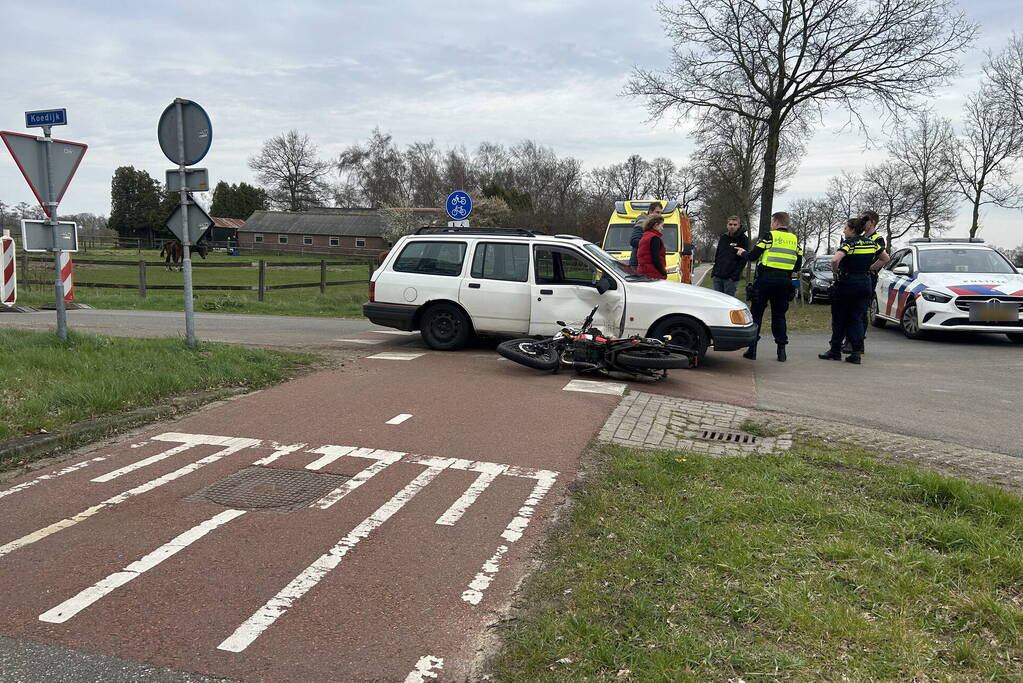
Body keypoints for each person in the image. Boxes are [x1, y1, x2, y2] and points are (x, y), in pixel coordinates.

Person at [819, 217, 889, 364]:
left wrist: (835, 272)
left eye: (845, 228)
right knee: (857, 318)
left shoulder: (849, 243)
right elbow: (885, 258)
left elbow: (835, 260)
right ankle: (856, 352)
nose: (844, 230)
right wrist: (870, 268)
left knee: (839, 318)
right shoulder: (872, 243)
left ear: (852, 230)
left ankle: (835, 350)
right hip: (865, 283)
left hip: (847, 283)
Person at [734, 211, 803, 362]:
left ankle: (752, 350)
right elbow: (798, 264)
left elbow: (753, 256)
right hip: (784, 283)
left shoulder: (769, 236)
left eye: (772, 223)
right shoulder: (794, 240)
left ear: (777, 223)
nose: (771, 226)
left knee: (756, 314)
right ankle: (781, 351)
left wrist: (742, 252)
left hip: (765, 280)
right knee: (779, 316)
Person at [842, 209, 889, 354]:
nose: (861, 221)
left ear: (872, 222)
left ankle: (857, 343)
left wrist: (869, 268)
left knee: (860, 312)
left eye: (864, 219)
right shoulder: (859, 238)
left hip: (866, 278)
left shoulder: (877, 239)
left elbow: (884, 258)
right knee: (851, 311)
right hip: (854, 278)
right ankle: (851, 340)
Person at [711, 216, 749, 296]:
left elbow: (743, 260)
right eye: (730, 224)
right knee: (717, 302)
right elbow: (717, 255)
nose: (732, 226)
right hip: (717, 277)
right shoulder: (723, 237)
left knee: (729, 303)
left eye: (735, 225)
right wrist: (714, 272)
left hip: (730, 279)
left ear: (739, 225)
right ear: (727, 225)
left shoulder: (743, 239)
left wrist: (734, 276)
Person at [628, 202, 663, 269]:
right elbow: (633, 241)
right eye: (657, 212)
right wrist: (651, 244)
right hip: (638, 263)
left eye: (661, 213)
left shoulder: (653, 224)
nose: (659, 215)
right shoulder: (642, 222)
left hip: (646, 263)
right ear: (650, 211)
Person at [636, 214, 668, 279]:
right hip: (653, 274)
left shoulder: (645, 236)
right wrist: (663, 272)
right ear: (656, 225)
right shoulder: (655, 238)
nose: (663, 229)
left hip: (642, 272)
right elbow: (656, 259)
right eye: (661, 226)